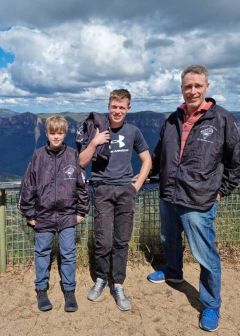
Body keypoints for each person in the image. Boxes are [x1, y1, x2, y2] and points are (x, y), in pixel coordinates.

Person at [147, 64, 240, 332]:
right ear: (181, 88)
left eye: (198, 85)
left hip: (199, 200)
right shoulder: (172, 119)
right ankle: (173, 272)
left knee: (205, 254)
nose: (193, 90)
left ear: (207, 87)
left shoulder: (222, 120)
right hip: (169, 194)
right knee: (169, 238)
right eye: (188, 86)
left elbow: (236, 160)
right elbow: (159, 155)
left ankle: (211, 304)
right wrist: (139, 178)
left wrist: (222, 189)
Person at [78, 89, 152, 310]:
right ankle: (101, 278)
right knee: (103, 240)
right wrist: (94, 142)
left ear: (128, 108)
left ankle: (118, 283)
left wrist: (136, 186)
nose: (117, 111)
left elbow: (146, 159)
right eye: (114, 107)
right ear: (109, 107)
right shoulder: (98, 129)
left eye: (122, 107)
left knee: (122, 240)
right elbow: (81, 162)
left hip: (125, 191)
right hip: (102, 190)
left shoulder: (133, 131)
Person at [20, 115, 89, 312]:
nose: (56, 137)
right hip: (43, 215)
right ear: (47, 133)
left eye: (60, 133)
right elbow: (28, 186)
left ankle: (69, 291)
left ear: (65, 133)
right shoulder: (38, 156)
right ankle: (41, 290)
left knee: (68, 254)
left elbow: (82, 185)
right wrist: (29, 213)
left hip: (68, 215)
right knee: (42, 253)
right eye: (52, 133)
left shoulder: (72, 155)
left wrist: (81, 211)